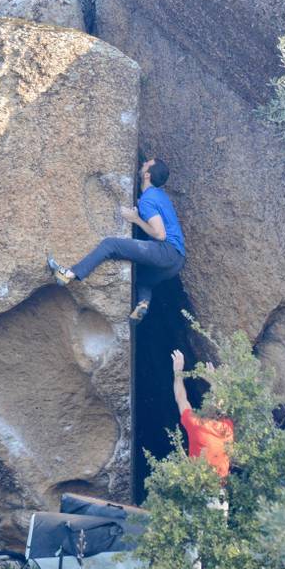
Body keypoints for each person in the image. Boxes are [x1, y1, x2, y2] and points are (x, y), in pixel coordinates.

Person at [47, 158, 186, 321]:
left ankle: (68, 274)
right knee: (142, 280)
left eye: (146, 164)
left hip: (165, 250)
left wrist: (136, 219)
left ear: (147, 175)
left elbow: (160, 234)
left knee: (110, 244)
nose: (142, 164)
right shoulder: (159, 196)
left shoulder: (148, 199)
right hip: (176, 261)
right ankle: (143, 304)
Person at [171, 349, 234, 480]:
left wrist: (178, 371)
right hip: (220, 492)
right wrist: (215, 381)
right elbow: (222, 404)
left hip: (199, 489)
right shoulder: (227, 428)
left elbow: (180, 397)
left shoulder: (197, 425)